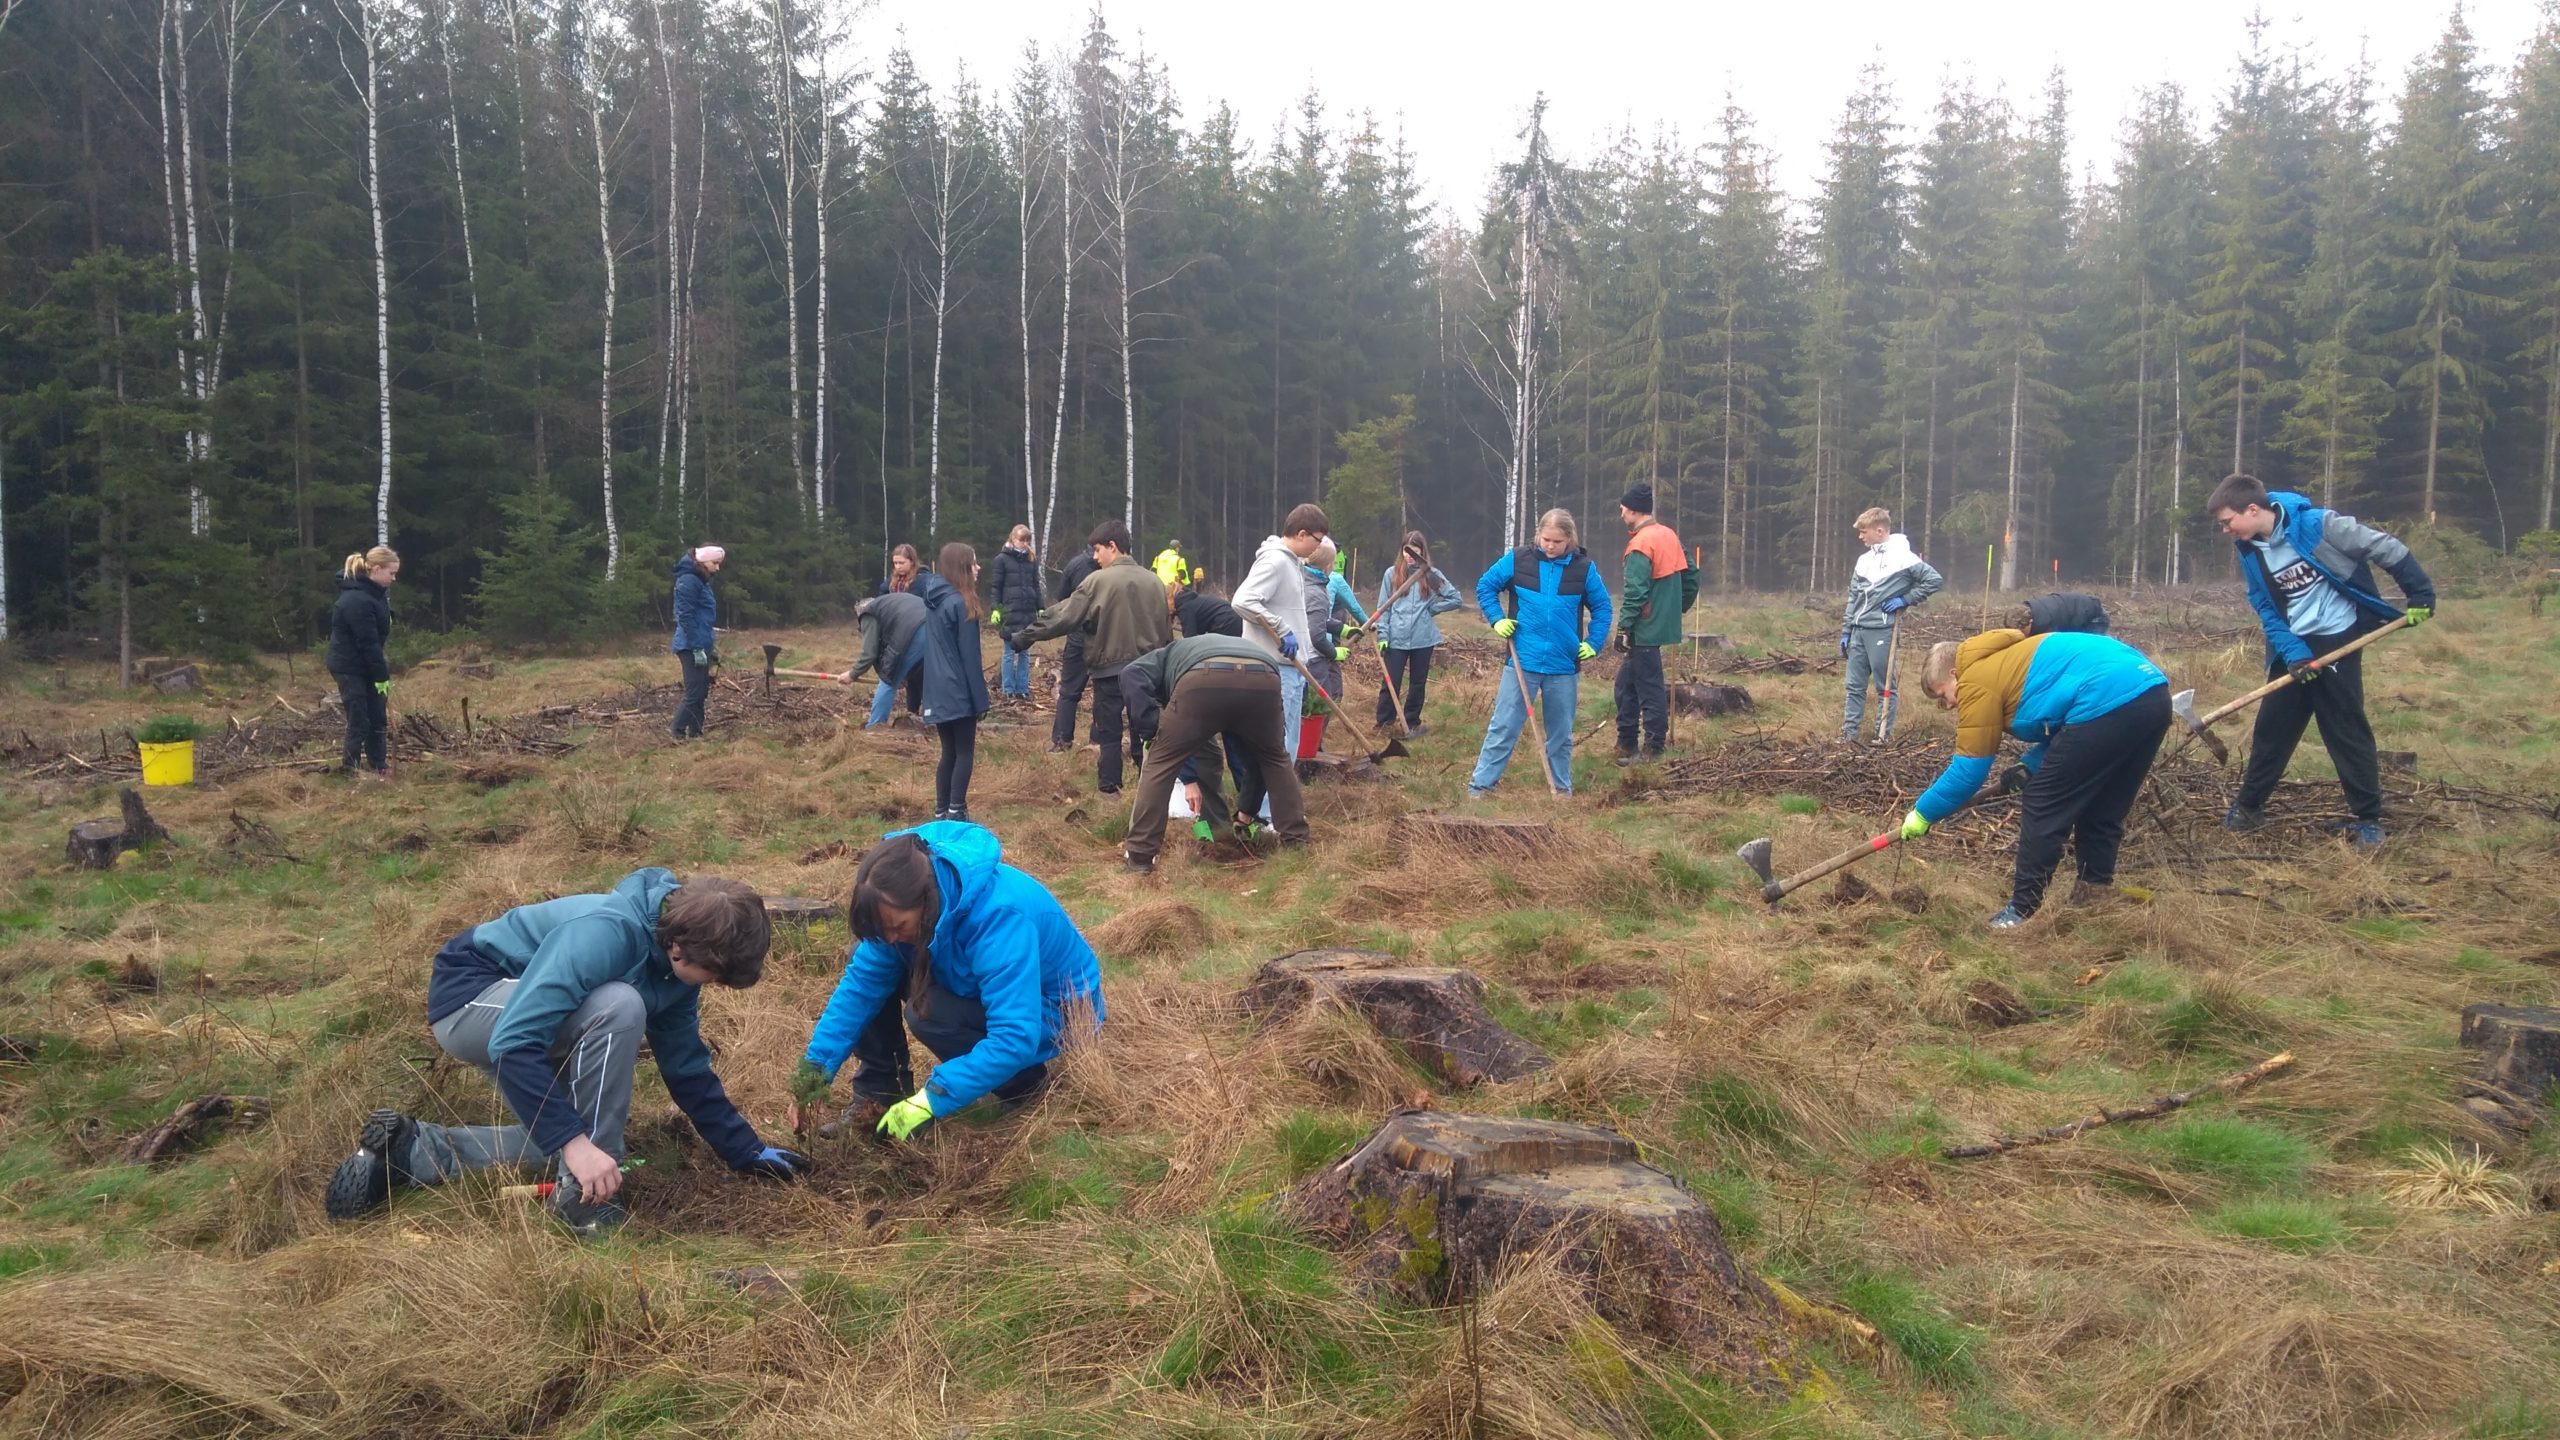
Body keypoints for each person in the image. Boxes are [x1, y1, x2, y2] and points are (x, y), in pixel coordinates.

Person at [323, 869, 807, 1233]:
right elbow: (514, 1040)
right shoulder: (607, 933)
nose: (717, 985)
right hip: (472, 998)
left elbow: (686, 1069)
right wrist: (580, 1149)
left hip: (531, 1016)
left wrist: (745, 1151)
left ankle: (413, 1152)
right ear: (680, 948)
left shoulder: (677, 973)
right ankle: (585, 1203)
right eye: (716, 975)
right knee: (619, 1008)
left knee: (555, 1139)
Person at [790, 823, 1105, 1141]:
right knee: (865, 959)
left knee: (928, 1013)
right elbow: (859, 991)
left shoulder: (998, 917)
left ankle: (1024, 1084)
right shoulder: (905, 905)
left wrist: (931, 1099)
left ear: (926, 902)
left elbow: (1015, 1034)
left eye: (899, 926)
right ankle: (879, 1096)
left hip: (1055, 1012)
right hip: (977, 985)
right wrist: (814, 1072)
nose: (890, 938)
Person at [2209, 473, 2436, 847]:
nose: (2226, 531)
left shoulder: (2318, 525)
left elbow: (2384, 547)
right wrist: (2294, 652)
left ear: (2252, 509)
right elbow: (2264, 604)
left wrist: (2420, 594)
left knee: (2344, 728)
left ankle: (2369, 821)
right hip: (2294, 644)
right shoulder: (2249, 547)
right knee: (2273, 728)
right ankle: (2249, 809)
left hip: (2338, 637)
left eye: (2227, 522)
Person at [1904, 629, 2171, 929]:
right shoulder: (2007, 659)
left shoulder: (1975, 679)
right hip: (2152, 695)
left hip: (2109, 700)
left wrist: (1922, 813)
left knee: (2043, 801)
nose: (1950, 705)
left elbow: (1968, 772)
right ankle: (2094, 893)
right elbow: (2066, 724)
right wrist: (2030, 764)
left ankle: (2021, 911)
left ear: (1954, 674)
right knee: (2104, 805)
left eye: (1944, 695)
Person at [1117, 632, 1310, 873]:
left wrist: (1151, 729)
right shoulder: (1194, 650)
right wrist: (1246, 812)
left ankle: (1140, 857)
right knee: (1273, 758)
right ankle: (1297, 842)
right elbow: (1253, 758)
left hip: (1203, 677)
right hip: (1264, 676)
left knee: (1161, 761)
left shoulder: (1159, 660)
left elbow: (1130, 674)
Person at [1013, 520, 1173, 795]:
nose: (1095, 557)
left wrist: (1024, 636)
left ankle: (1109, 790)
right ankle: (1150, 789)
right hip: (1148, 670)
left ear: (1113, 546)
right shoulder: (1155, 581)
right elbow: (1166, 632)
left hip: (1109, 670)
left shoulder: (1097, 581)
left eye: (1098, 550)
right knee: (1144, 729)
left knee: (1109, 733)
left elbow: (1064, 615)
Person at [1468, 509, 1613, 798]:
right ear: (1538, 536)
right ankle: (1480, 787)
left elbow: (1603, 608)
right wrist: (1497, 619)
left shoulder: (1584, 569)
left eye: (1557, 541)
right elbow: (1485, 586)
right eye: (1545, 539)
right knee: (1503, 727)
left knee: (1560, 736)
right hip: (1522, 661)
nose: (1550, 546)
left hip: (1563, 666)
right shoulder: (1518, 559)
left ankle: (1561, 790)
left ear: (1569, 539)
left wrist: (1594, 643)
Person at [1838, 507, 1944, 742]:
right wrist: (1846, 630)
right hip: (1858, 630)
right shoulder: (1863, 560)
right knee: (1854, 686)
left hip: (1883, 629)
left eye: (1863, 531)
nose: (1860, 536)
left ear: (1879, 530)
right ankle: (1848, 736)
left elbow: (1934, 580)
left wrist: (1905, 600)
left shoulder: (1904, 557)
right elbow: (1853, 597)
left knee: (1884, 686)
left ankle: (1882, 735)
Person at [1234, 505, 1331, 761]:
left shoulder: (1293, 563)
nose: (1318, 548)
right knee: (1276, 747)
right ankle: (1268, 802)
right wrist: (1282, 628)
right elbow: (1243, 601)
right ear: (1301, 534)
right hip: (1275, 668)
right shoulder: (1274, 560)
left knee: (1290, 746)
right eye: (1317, 541)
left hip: (1292, 667)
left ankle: (1282, 800)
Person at [1613, 483, 1696, 763]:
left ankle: (1653, 749)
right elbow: (1692, 575)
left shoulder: (1641, 543)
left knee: (1649, 688)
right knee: (1626, 684)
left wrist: (1624, 627)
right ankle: (1626, 742)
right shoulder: (1668, 535)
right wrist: (1676, 608)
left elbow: (1635, 592)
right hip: (1658, 623)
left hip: (1644, 627)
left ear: (1634, 510)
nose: (1621, 513)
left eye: (1623, 509)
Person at [915, 543, 992, 821]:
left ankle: (941, 811)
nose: (978, 567)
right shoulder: (962, 603)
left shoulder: (935, 600)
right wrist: (980, 700)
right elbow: (969, 658)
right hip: (958, 689)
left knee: (947, 752)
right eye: (974, 563)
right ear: (963, 568)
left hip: (936, 689)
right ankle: (957, 811)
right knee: (963, 753)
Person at [1372, 531, 1463, 736]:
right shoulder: (1392, 574)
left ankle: (1412, 722)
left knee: (1417, 683)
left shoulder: (1430, 575)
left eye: (1415, 550)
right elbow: (1383, 608)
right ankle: (1384, 723)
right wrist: (1383, 635)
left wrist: (1433, 609)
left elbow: (1455, 598)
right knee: (1390, 681)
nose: (1410, 555)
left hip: (1423, 639)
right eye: (1406, 550)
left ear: (1422, 551)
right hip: (1396, 638)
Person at [329, 545, 399, 778]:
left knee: (377, 715)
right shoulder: (356, 599)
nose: (394, 578)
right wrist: (381, 676)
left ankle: (378, 764)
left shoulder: (376, 595)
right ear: (376, 569)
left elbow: (376, 640)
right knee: (359, 716)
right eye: (391, 573)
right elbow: (367, 642)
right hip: (349, 666)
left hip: (368, 663)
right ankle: (350, 767)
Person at [841, 591, 928, 728]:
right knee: (926, 676)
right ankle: (933, 719)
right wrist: (903, 676)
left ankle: (875, 726)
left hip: (914, 630)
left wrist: (852, 674)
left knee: (888, 680)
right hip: (935, 625)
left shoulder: (868, 613)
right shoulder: (888, 605)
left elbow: (870, 653)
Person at [1047, 542, 1101, 753]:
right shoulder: (1112, 568)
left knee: (1069, 690)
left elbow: (1062, 597)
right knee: (1103, 691)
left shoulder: (1074, 565)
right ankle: (1098, 740)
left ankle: (1061, 741)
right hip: (1103, 638)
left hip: (1078, 636)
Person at [669, 543, 724, 740]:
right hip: (689, 645)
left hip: (701, 643)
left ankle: (696, 732)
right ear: (702, 561)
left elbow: (704, 620)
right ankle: (676, 732)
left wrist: (710, 647)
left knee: (702, 690)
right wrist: (696, 646)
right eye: (714, 563)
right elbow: (685, 616)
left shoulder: (701, 581)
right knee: (694, 692)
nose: (717, 568)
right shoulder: (688, 581)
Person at [1299, 538, 1350, 751]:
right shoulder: (1318, 593)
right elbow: (1316, 635)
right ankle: (1311, 748)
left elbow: (1315, 620)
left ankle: (1306, 746)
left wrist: (1342, 629)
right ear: (1328, 565)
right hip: (1312, 658)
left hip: (1300, 654)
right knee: (1322, 702)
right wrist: (1333, 653)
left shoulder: (1302, 580)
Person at [989, 525, 1045, 700]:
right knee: (1008, 653)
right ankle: (1008, 689)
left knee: (1024, 653)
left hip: (1027, 612)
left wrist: (1040, 606)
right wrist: (996, 609)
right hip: (1009, 612)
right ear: (1013, 538)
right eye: (1022, 540)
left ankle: (1022, 689)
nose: (1025, 543)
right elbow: (996, 587)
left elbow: (1035, 585)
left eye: (1027, 540)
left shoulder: (1031, 559)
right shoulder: (1001, 559)